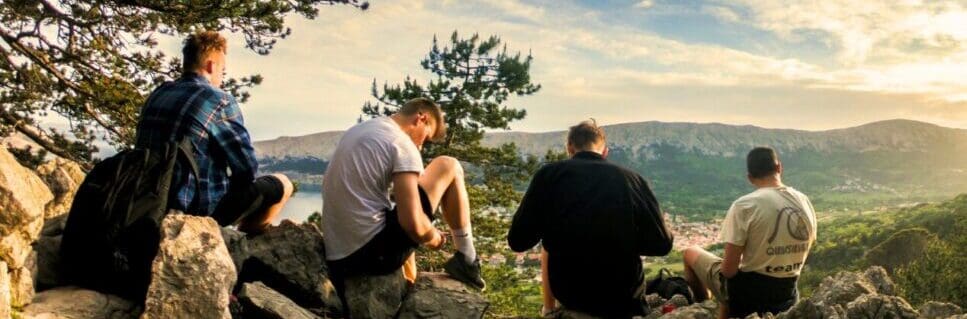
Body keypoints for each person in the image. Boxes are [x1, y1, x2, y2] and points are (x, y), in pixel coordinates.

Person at [322, 97, 485, 303]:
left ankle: (410, 283)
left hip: (337, 257)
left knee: (400, 208)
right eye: (426, 137)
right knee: (448, 165)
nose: (422, 145)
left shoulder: (362, 129)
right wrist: (433, 237)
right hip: (369, 257)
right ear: (421, 119)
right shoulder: (401, 143)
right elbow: (412, 224)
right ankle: (468, 259)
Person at [508, 120, 674, 318]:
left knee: (547, 248)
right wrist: (622, 239)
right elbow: (662, 244)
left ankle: (550, 309)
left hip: (573, 298)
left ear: (570, 148)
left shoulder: (549, 176)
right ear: (605, 152)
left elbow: (517, 241)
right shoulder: (632, 179)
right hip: (624, 301)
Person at [134, 31, 293, 233]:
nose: (222, 78)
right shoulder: (218, 100)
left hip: (148, 204)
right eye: (222, 71)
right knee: (284, 184)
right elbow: (246, 169)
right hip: (196, 210)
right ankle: (242, 246)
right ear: (211, 65)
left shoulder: (159, 92)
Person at [683, 147, 817, 319]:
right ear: (779, 168)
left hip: (749, 297)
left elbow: (729, 271)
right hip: (788, 295)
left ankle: (703, 308)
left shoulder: (745, 205)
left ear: (750, 178)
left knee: (690, 252)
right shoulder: (804, 200)